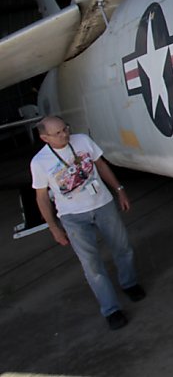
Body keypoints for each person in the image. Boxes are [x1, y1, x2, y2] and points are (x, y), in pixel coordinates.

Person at [30, 115, 146, 330]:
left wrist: (119, 190)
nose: (65, 134)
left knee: (123, 247)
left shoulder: (82, 140)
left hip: (103, 205)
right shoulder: (39, 162)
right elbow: (42, 197)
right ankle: (111, 309)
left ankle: (129, 283)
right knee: (92, 265)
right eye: (58, 133)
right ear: (45, 138)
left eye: (65, 128)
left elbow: (100, 165)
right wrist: (53, 227)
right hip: (72, 217)